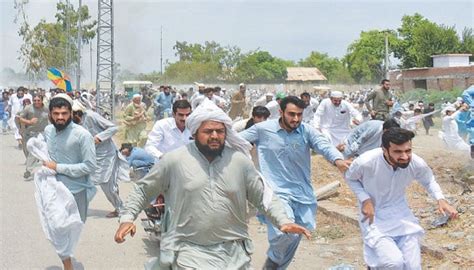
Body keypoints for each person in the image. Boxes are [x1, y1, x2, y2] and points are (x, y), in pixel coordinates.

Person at [114, 99, 311, 269]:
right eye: (208, 131)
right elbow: (142, 190)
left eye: (219, 131)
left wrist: (283, 220)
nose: (215, 136)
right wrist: (127, 217)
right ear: (195, 132)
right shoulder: (174, 161)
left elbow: (264, 196)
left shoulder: (239, 162)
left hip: (233, 253)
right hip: (186, 250)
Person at [239, 96, 351, 269]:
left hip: (302, 193)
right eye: (291, 114)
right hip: (275, 192)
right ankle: (274, 260)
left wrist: (338, 160)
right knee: (286, 231)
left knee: (297, 233)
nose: (296, 119)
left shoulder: (306, 131)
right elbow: (236, 141)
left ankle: (274, 265)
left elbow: (323, 144)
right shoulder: (262, 129)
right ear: (281, 112)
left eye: (299, 114)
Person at [344, 127, 458, 269]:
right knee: (393, 263)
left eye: (408, 151)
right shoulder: (366, 161)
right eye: (398, 152)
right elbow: (350, 178)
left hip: (401, 216)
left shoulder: (416, 163)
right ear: (385, 150)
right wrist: (365, 200)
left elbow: (428, 180)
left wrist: (441, 199)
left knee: (412, 266)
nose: (404, 156)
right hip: (374, 216)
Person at [42, 94, 97, 270]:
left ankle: (68, 259)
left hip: (76, 192)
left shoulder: (82, 135)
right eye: (56, 113)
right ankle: (68, 265)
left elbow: (89, 166)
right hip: (52, 190)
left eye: (64, 113)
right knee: (57, 229)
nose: (60, 117)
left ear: (71, 113)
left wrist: (58, 167)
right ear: (50, 113)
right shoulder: (48, 131)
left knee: (73, 230)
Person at [72, 100, 129, 218]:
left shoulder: (92, 116)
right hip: (91, 156)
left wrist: (100, 137)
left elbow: (113, 128)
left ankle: (121, 209)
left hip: (106, 155)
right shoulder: (72, 124)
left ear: (77, 113)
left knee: (107, 185)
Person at [17, 95, 49, 179]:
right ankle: (32, 163)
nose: (36, 102)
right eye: (34, 100)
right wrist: (29, 121)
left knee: (33, 151)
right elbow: (20, 118)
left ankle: (28, 170)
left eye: (38, 100)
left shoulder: (47, 108)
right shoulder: (28, 108)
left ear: (42, 101)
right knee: (28, 151)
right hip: (30, 132)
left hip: (42, 133)